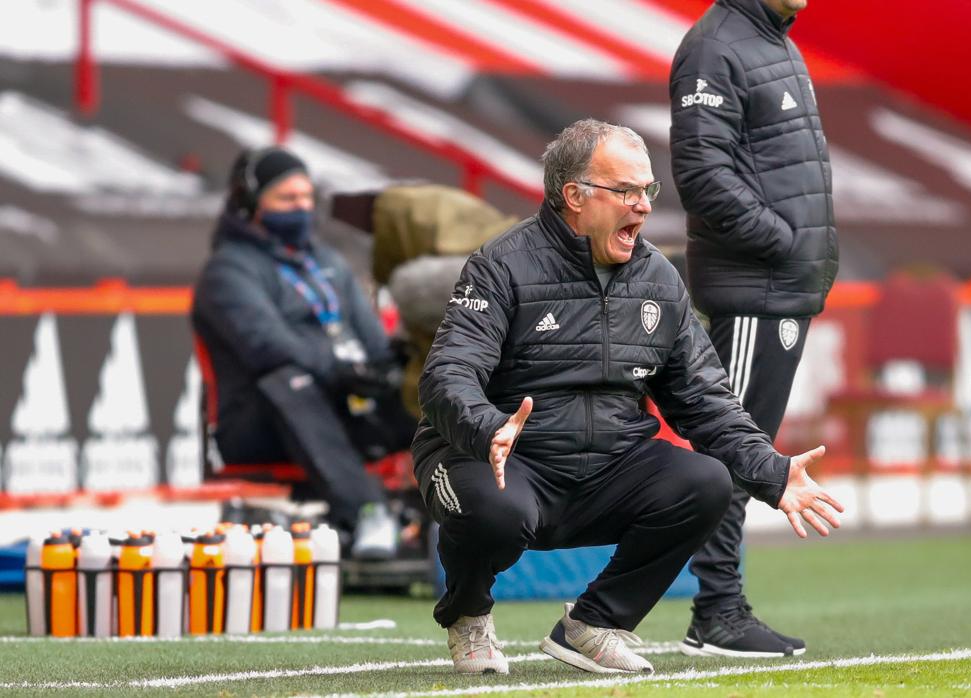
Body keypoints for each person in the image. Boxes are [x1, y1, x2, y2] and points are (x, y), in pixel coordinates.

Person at [412, 119, 843, 676]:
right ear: (574, 196)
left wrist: (773, 473)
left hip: (607, 467)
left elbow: (705, 399)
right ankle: (467, 612)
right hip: (498, 457)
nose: (642, 206)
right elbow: (447, 374)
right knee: (496, 510)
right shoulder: (501, 265)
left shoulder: (658, 279)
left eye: (647, 191)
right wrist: (486, 426)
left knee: (705, 481)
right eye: (626, 191)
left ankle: (592, 624)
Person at [669, 0, 839, 658]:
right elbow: (702, 172)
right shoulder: (716, 45)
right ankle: (713, 612)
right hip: (754, 287)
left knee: (738, 449)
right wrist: (780, 242)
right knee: (730, 452)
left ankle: (710, 609)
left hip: (778, 287)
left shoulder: (771, 41)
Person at [192, 146, 416, 560]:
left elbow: (374, 343)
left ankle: (470, 514)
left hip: (344, 406)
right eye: (287, 199)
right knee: (288, 377)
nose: (302, 208)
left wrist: (388, 371)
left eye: (307, 198)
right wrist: (341, 370)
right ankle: (367, 511)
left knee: (428, 377)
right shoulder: (227, 271)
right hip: (261, 422)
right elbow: (266, 346)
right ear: (250, 204)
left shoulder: (328, 262)